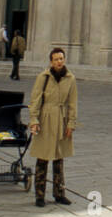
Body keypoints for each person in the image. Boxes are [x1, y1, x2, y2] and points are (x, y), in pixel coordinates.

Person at [29, 48, 78, 208]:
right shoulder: (43, 77)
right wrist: (34, 120)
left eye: (61, 58)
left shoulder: (70, 79)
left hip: (61, 120)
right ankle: (40, 196)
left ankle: (59, 193)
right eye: (56, 59)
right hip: (45, 119)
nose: (59, 61)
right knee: (42, 158)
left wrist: (71, 123)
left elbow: (72, 103)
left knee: (59, 159)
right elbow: (35, 99)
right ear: (51, 61)